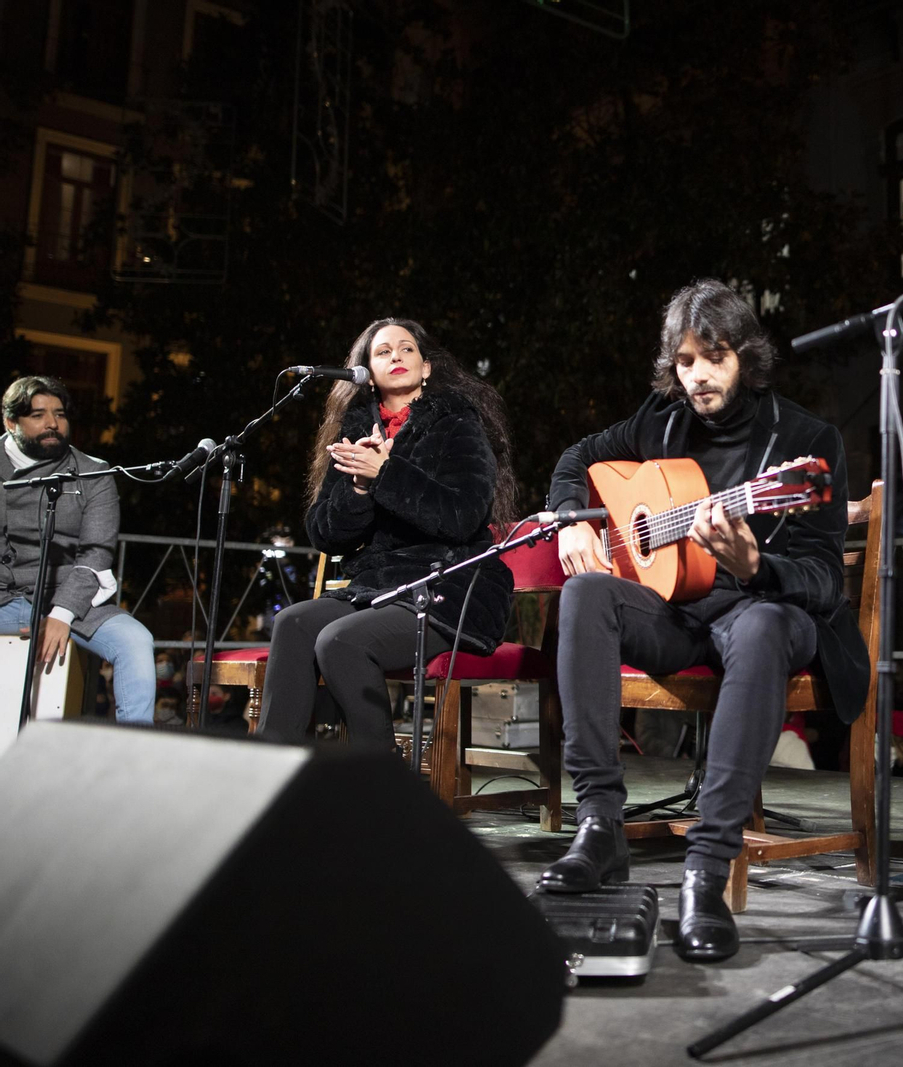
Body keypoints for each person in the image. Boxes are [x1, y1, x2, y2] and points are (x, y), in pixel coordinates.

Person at [535, 279, 868, 964]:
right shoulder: (660, 420)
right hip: (679, 613)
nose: (698, 375)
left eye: (713, 356)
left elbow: (823, 581)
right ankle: (599, 824)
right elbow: (577, 457)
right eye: (686, 360)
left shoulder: (806, 440)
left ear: (745, 354)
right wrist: (571, 518)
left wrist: (754, 565)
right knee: (585, 595)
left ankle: (706, 869)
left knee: (763, 625)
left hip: (766, 613)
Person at [256, 319, 517, 750]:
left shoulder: (456, 421)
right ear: (367, 372)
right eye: (382, 352)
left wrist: (386, 475)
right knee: (294, 622)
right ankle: (271, 776)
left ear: (426, 368)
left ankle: (378, 779)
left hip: (451, 587)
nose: (395, 356)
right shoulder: (355, 432)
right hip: (379, 587)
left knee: (341, 641)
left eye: (406, 349)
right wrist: (359, 487)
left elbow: (463, 516)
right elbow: (325, 534)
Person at [0, 375, 156, 724]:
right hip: (3, 597)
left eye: (60, 414)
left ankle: (135, 761)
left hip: (69, 598)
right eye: (38, 415)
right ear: (11, 422)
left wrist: (61, 614)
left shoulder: (93, 473)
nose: (53, 424)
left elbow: (96, 553)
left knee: (135, 641)